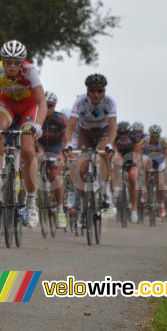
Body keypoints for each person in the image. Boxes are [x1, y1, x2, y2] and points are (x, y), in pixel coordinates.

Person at [0, 40, 46, 228]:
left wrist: (38, 126)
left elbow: (42, 102)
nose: (13, 66)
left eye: (17, 62)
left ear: (23, 62)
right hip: (6, 105)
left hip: (28, 108)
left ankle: (31, 202)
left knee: (28, 151)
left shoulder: (30, 71)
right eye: (8, 62)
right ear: (2, 61)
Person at [63, 74, 117, 210]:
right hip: (85, 132)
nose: (96, 95)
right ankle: (81, 204)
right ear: (87, 90)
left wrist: (110, 144)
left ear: (104, 90)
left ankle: (105, 192)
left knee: (104, 150)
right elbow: (70, 126)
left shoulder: (110, 102)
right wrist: (68, 143)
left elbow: (112, 127)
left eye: (100, 91)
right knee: (81, 167)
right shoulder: (80, 102)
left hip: (102, 131)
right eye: (92, 91)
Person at [37, 91, 68, 228]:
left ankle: (60, 210)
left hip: (55, 147)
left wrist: (62, 154)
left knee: (56, 176)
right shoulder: (35, 117)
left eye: (50, 106)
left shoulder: (60, 120)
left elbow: (65, 139)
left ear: (54, 107)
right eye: (44, 105)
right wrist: (39, 149)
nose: (47, 108)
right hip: (40, 145)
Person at [136, 124, 167, 218]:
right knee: (147, 166)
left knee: (160, 183)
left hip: (160, 160)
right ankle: (144, 191)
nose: (155, 138)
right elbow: (139, 152)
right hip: (148, 158)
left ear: (159, 135)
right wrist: (139, 163)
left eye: (157, 136)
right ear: (150, 135)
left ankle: (161, 205)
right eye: (153, 136)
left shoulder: (164, 142)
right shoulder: (145, 140)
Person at [113, 121, 139, 222]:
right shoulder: (115, 137)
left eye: (125, 134)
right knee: (115, 164)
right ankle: (115, 187)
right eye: (120, 134)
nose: (123, 136)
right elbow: (113, 148)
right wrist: (115, 155)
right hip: (119, 158)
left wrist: (135, 161)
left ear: (129, 132)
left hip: (131, 159)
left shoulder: (134, 138)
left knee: (132, 178)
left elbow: (137, 152)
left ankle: (134, 209)